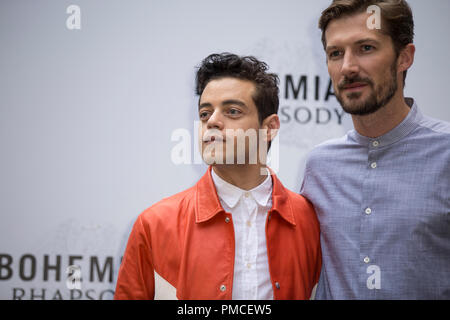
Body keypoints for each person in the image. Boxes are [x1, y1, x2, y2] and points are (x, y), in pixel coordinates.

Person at [114, 53, 321, 300]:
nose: (212, 121)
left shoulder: (311, 220)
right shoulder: (154, 225)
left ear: (269, 128)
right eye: (204, 113)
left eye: (232, 111)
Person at [300, 0, 450, 299]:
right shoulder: (319, 166)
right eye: (335, 53)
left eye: (366, 48)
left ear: (404, 57)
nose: (348, 67)